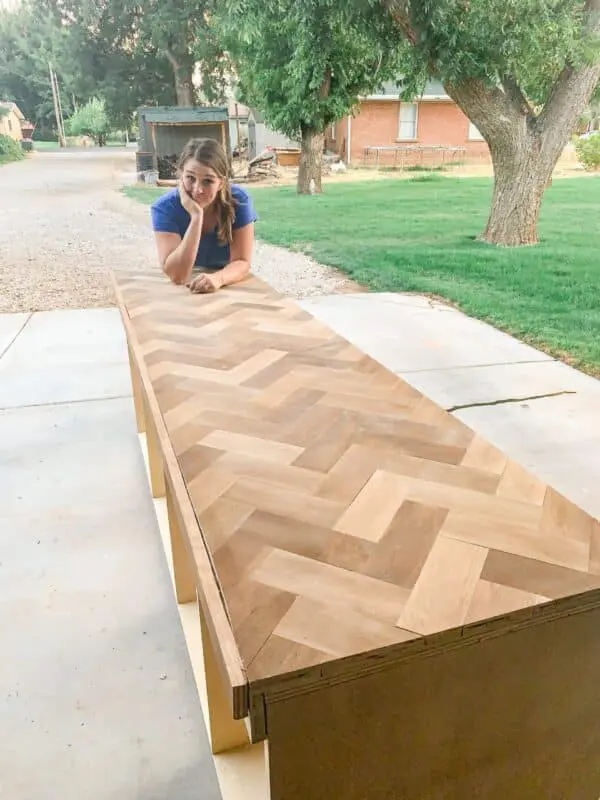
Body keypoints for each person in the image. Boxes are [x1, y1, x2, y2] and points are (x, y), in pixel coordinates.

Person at [150, 137, 258, 293]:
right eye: (190, 178)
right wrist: (196, 217)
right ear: (181, 175)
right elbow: (178, 276)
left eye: (207, 181)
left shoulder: (239, 201)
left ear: (221, 183)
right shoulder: (164, 208)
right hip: (184, 286)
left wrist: (218, 278)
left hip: (226, 280)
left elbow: (242, 262)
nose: (197, 189)